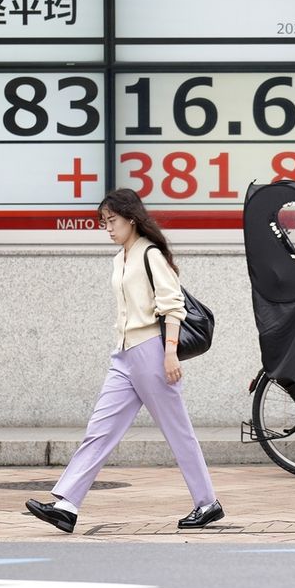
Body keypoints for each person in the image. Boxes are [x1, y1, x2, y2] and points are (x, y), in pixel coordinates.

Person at [25, 188, 222, 533]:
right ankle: (67, 506)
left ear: (131, 219)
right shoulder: (121, 258)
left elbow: (172, 306)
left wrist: (171, 353)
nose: (107, 228)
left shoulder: (151, 256)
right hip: (124, 354)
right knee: (99, 430)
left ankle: (207, 503)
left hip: (152, 352)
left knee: (178, 433)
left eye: (112, 221)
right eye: (103, 222)